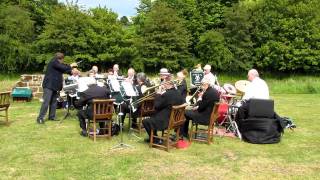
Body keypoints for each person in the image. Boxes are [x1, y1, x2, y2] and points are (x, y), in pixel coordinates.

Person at [142, 79, 185, 144]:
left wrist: (158, 94)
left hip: (166, 121)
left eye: (164, 84)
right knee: (154, 115)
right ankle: (154, 137)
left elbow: (156, 106)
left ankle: (155, 139)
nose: (163, 86)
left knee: (145, 121)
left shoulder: (166, 94)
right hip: (175, 119)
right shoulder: (178, 92)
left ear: (168, 85)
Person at [36, 52, 74, 124]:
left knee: (54, 102)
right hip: (49, 86)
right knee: (46, 102)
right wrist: (70, 65)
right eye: (62, 60)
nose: (63, 61)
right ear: (60, 59)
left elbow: (65, 69)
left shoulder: (58, 64)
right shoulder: (54, 62)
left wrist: (72, 72)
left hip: (55, 86)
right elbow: (63, 67)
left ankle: (52, 116)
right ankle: (40, 118)